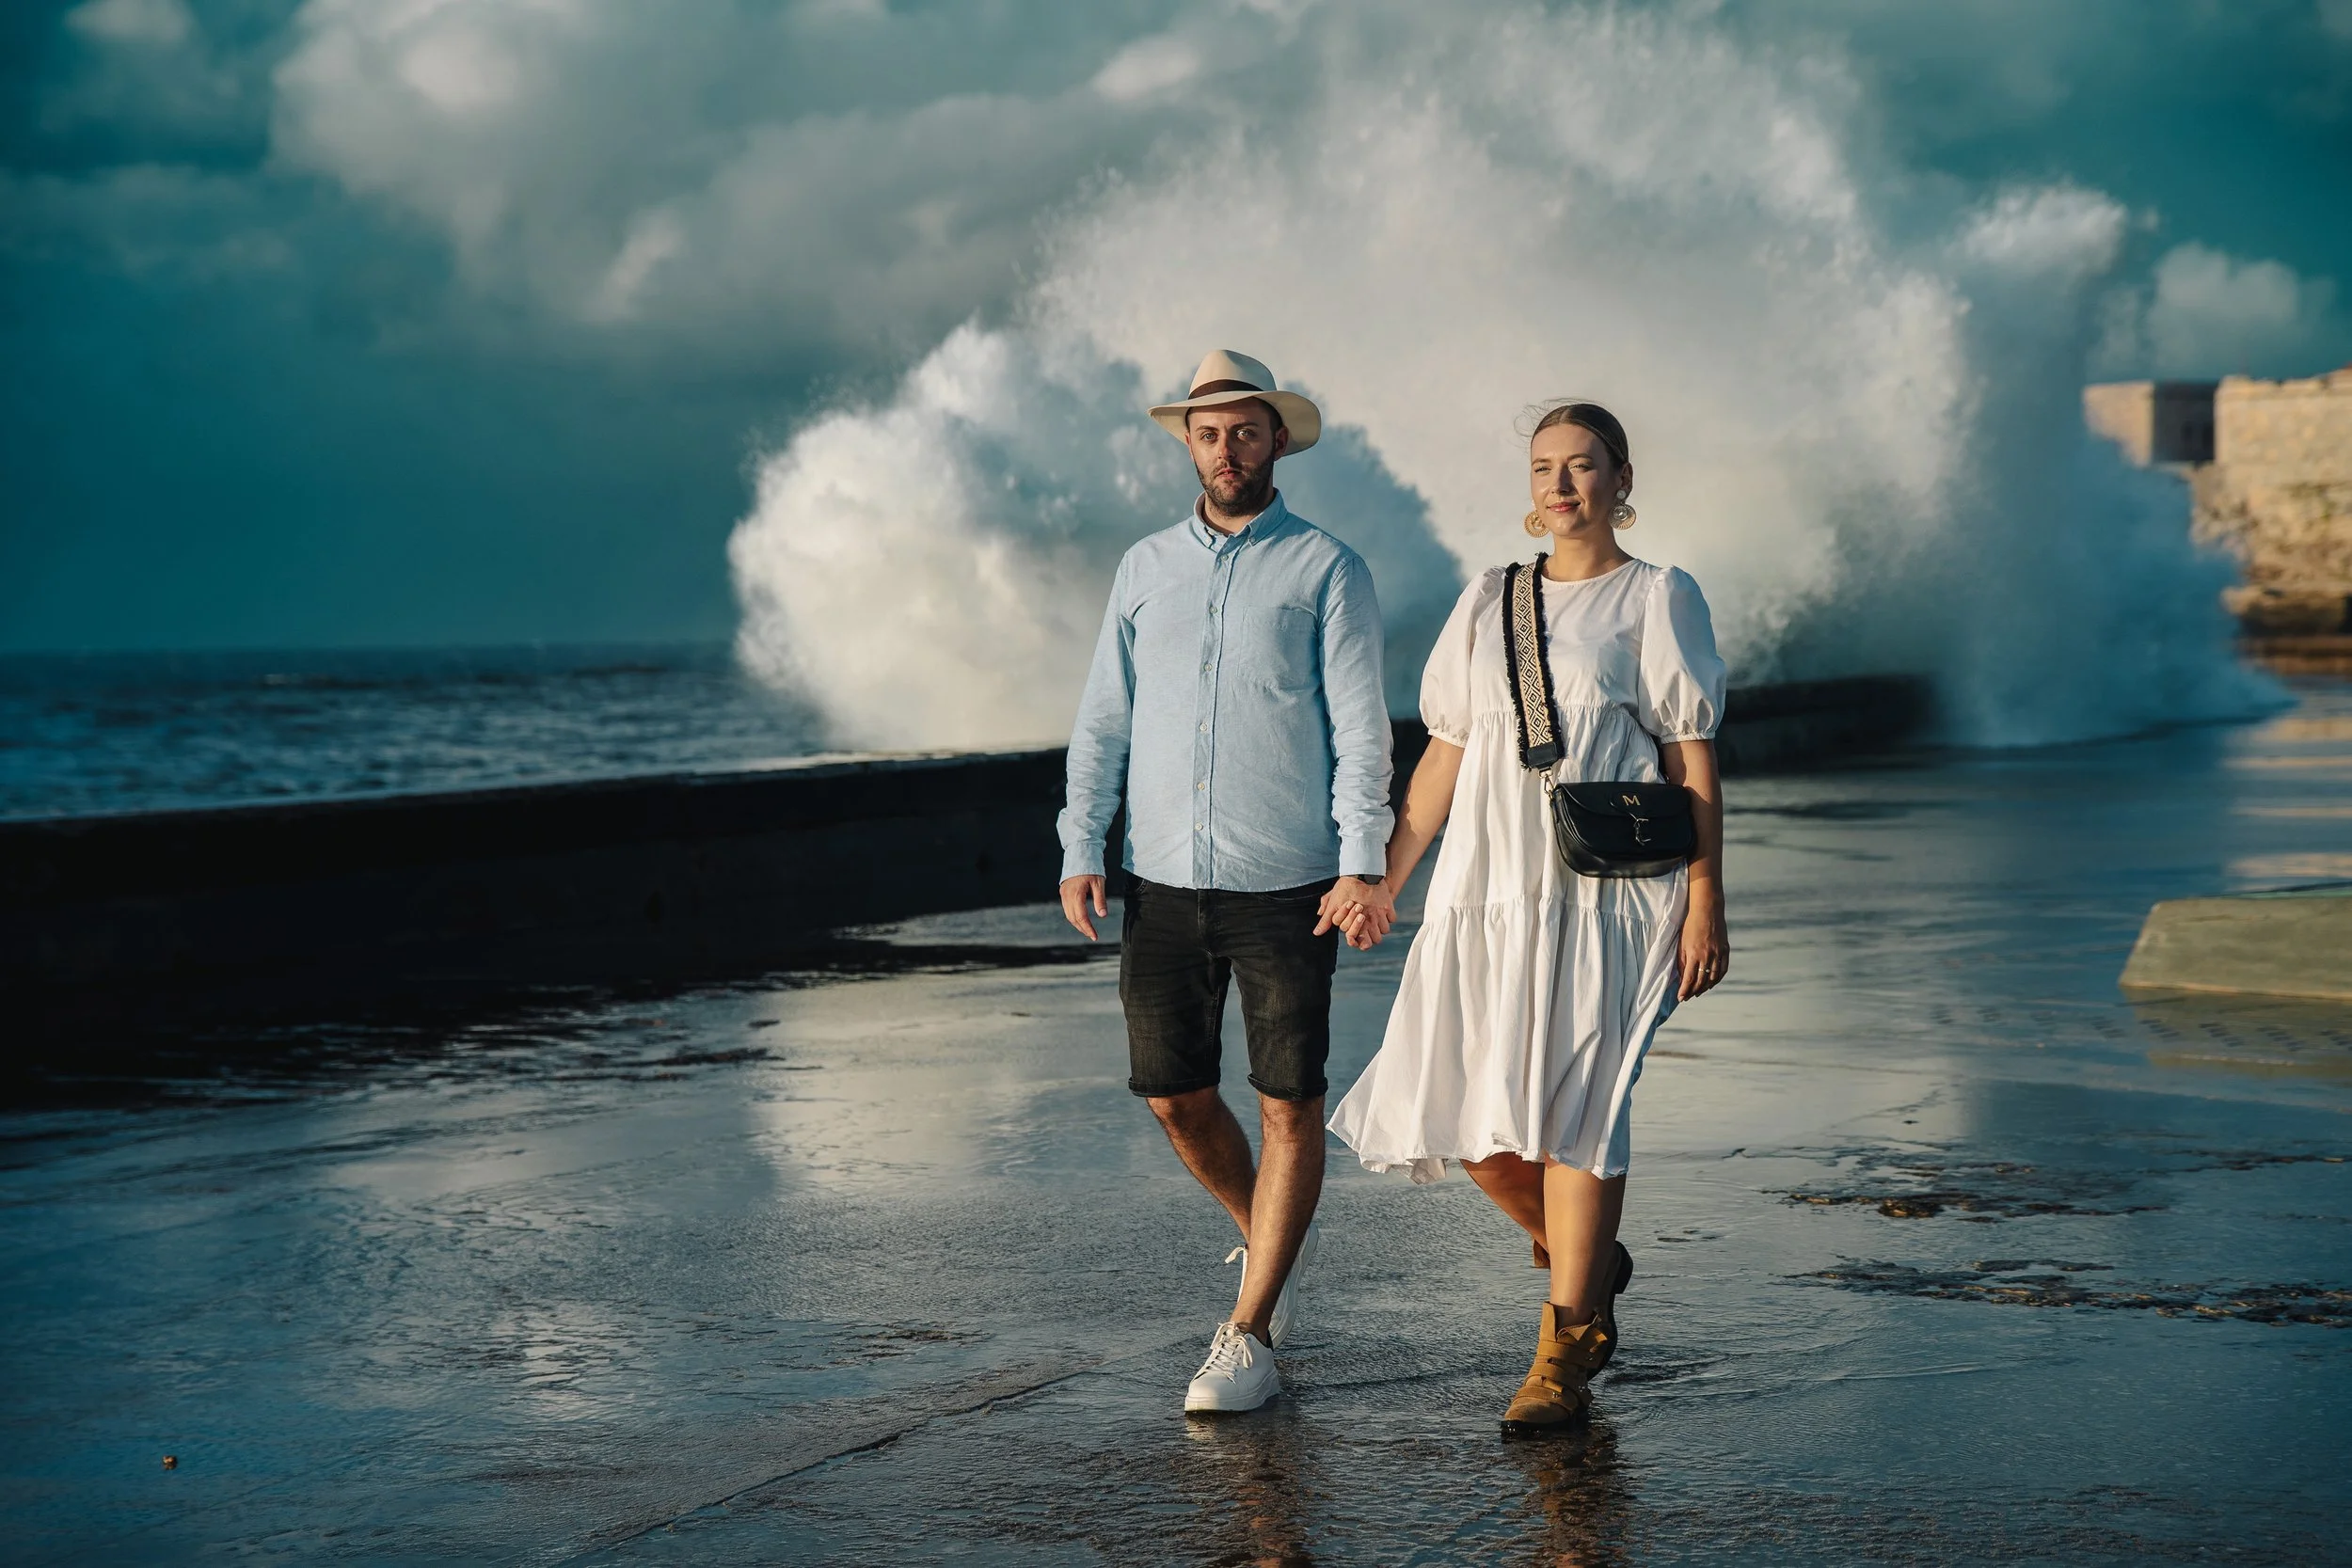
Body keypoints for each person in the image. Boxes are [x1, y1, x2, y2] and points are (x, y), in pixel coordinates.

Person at [1325, 400, 1728, 1436]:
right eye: (1545, 467)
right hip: (1486, 886)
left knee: (1583, 1109)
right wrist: (1385, 875)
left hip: (1609, 897)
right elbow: (1444, 760)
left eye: (1582, 466)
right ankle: (1587, 1261)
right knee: (1464, 1108)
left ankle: (1560, 1350)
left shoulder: (1656, 595)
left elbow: (1691, 761)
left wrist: (1705, 900)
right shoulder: (1487, 601)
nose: (1561, 485)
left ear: (1618, 476)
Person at [1058, 349, 1397, 1415]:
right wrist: (1082, 841)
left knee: (1290, 1100)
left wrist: (1360, 861)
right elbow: (1102, 720)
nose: (1226, 449)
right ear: (1188, 444)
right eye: (1207, 433)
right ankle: (1268, 1251)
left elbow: (1360, 731)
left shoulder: (1327, 569)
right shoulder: (1143, 566)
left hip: (1287, 884)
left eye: (1245, 431)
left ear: (1277, 441)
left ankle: (1246, 1331)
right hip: (1159, 883)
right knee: (1173, 1094)